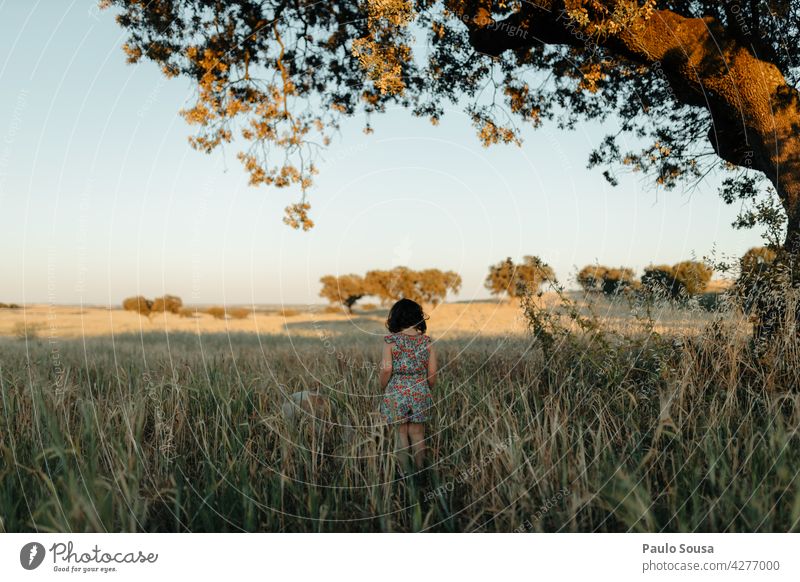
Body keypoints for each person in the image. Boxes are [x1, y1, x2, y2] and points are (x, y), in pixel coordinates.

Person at [379, 298, 437, 473]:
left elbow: (387, 369)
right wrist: (427, 389)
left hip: (396, 391)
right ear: (418, 317)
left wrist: (383, 386)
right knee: (418, 433)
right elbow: (432, 372)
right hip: (420, 389)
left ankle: (405, 474)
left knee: (400, 433)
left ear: (395, 318)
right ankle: (420, 472)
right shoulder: (426, 342)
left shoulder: (390, 341)